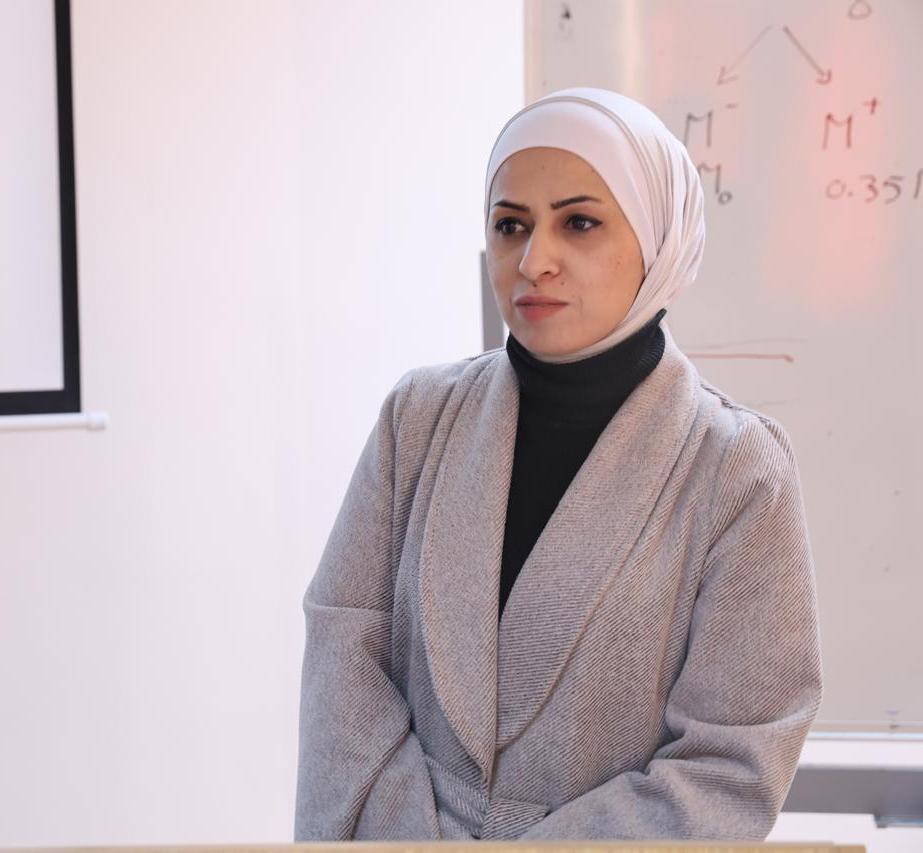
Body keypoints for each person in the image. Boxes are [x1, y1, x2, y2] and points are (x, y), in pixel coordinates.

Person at [293, 87, 822, 841]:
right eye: (511, 225)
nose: (534, 261)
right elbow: (344, 655)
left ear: (658, 241)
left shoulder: (737, 469)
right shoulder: (418, 417)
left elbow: (729, 764)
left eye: (579, 223)